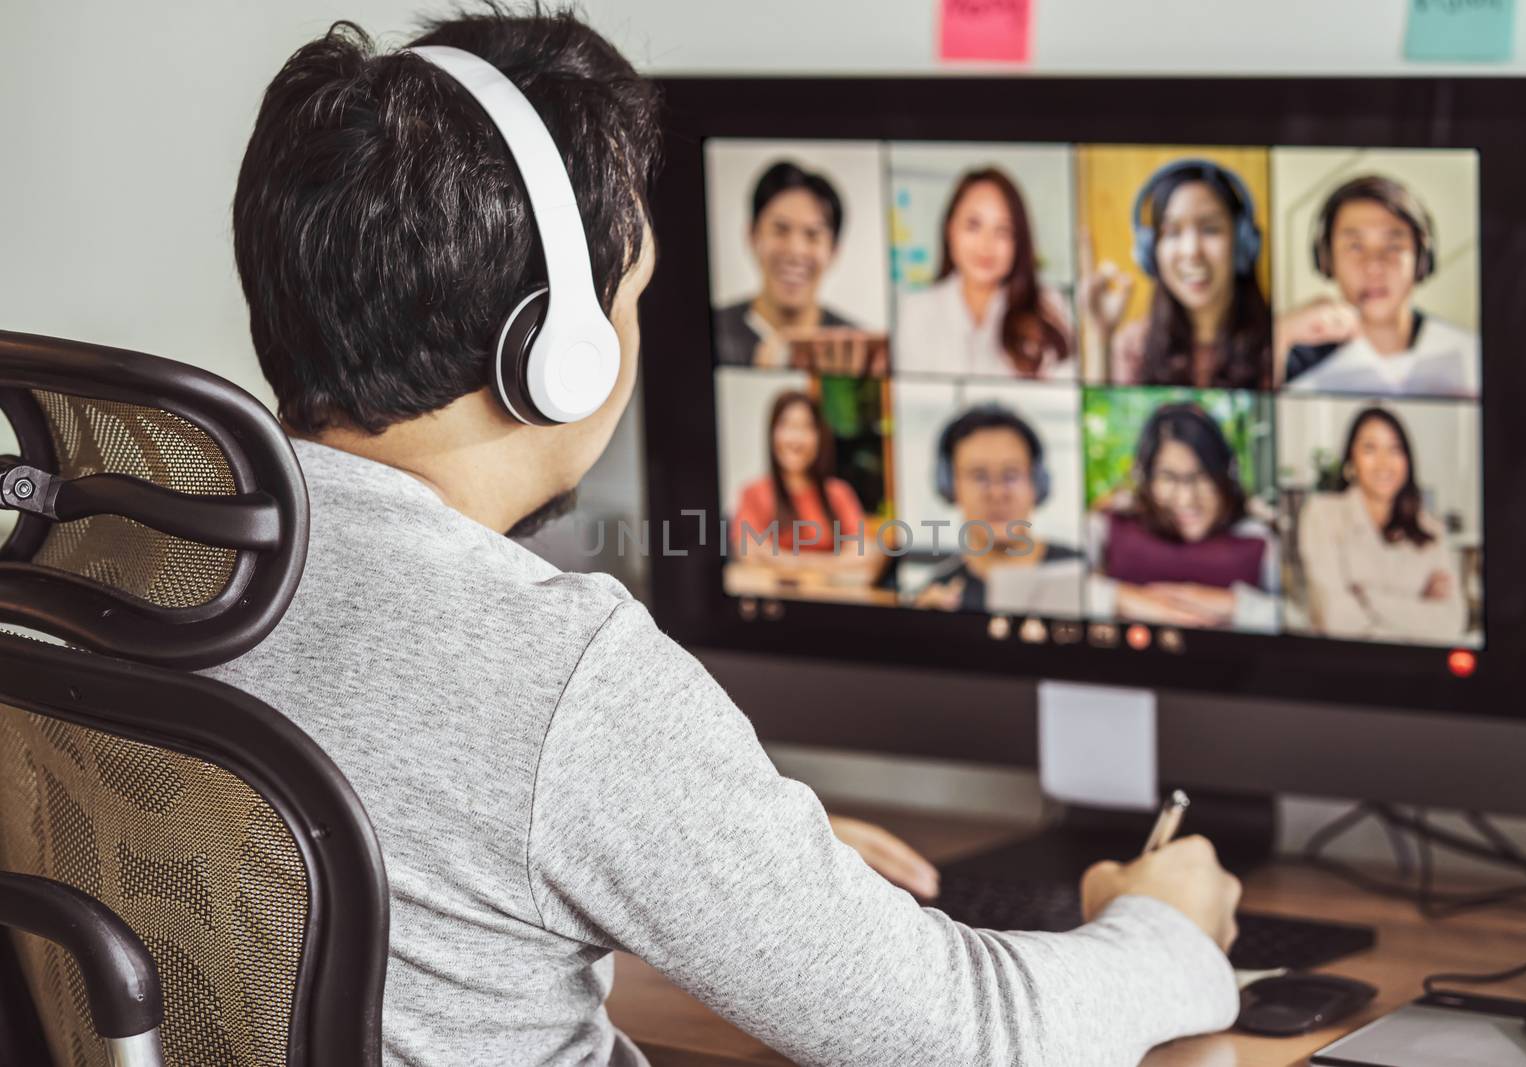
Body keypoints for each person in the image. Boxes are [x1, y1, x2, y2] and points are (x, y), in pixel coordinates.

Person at [215, 10, 1241, 1066]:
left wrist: (716, 850)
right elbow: (972, 1036)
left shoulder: (135, 557)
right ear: (554, 349)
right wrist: (1163, 922)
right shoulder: (561, 677)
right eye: (637, 292)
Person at [1278, 174, 1479, 397]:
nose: (1374, 267)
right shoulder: (1289, 360)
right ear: (1326, 258)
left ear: (1421, 258)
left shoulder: (1471, 354)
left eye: (1393, 246)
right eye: (1355, 246)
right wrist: (1281, 334)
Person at [1086, 404, 1278, 632]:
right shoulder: (1109, 523)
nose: (1187, 499)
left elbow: (1305, 616)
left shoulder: (1259, 536)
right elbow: (1053, 585)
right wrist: (1123, 599)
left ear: (1227, 474)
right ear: (1144, 478)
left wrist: (1235, 605)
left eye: (1202, 476)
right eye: (1169, 478)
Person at [1086, 159, 1273, 390]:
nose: (1191, 251)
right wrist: (1101, 336)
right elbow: (1100, 421)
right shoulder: (1133, 346)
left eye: (1210, 229)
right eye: (1173, 232)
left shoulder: (1277, 342)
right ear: (1151, 252)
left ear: (1242, 243)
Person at [1297, 406, 1467, 643]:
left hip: (1415, 672)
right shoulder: (1322, 514)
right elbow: (1336, 620)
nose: (1384, 462)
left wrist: (1368, 598)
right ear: (1351, 461)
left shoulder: (1430, 529)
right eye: (1370, 448)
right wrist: (1418, 608)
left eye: (1395, 449)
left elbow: (1450, 624)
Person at [895, 167, 1077, 379]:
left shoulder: (1049, 305)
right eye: (973, 225)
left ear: (1018, 240)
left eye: (1002, 231)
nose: (986, 245)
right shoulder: (916, 310)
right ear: (950, 228)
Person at [713, 160, 885, 374]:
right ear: (752, 235)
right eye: (780, 229)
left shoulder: (858, 347)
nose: (795, 251)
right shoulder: (712, 331)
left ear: (833, 251)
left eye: (813, 234)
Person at [914, 405, 1084, 614]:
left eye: (1011, 475)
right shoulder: (935, 595)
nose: (996, 494)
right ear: (950, 486)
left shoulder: (1081, 571)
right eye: (978, 476)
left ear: (1036, 483)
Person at [731, 390, 877, 577]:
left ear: (819, 437)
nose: (796, 439)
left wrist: (782, 560)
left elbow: (863, 554)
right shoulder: (753, 493)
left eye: (806, 427)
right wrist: (832, 562)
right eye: (787, 426)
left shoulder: (838, 493)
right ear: (772, 433)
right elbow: (748, 554)